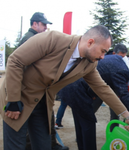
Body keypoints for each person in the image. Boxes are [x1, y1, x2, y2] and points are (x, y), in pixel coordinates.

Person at [0, 25, 129, 150]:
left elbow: (103, 89)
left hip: (42, 103)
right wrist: (13, 100)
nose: (103, 57)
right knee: (16, 146)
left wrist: (127, 115)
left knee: (43, 145)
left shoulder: (89, 64)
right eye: (102, 51)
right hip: (17, 96)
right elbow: (15, 60)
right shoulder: (53, 39)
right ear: (90, 42)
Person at [58, 54, 129, 150]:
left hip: (71, 86)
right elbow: (124, 95)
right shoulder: (123, 70)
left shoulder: (117, 59)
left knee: (80, 124)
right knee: (88, 125)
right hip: (78, 90)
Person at [16, 12, 67, 150]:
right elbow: (19, 66)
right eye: (43, 24)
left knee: (45, 120)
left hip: (39, 90)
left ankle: (51, 145)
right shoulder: (30, 39)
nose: (46, 28)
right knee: (31, 127)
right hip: (30, 91)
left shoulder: (36, 38)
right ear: (34, 24)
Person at [55, 43, 128, 129]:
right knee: (89, 110)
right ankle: (78, 128)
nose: (121, 59)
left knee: (115, 112)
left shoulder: (119, 62)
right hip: (94, 88)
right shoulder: (100, 59)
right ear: (114, 53)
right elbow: (92, 79)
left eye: (123, 57)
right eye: (120, 56)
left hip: (108, 89)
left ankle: (113, 131)